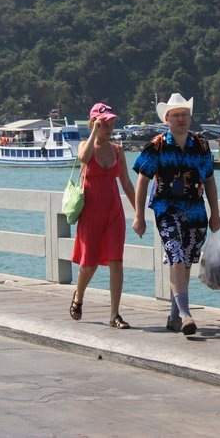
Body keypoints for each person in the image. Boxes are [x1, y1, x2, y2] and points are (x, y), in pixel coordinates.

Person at [132, 93, 220, 336]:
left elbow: (210, 180)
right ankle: (185, 314)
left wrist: (215, 213)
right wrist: (138, 215)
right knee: (176, 256)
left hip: (195, 209)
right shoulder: (157, 145)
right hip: (166, 209)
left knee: (187, 261)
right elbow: (142, 179)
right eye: (176, 115)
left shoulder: (201, 145)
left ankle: (174, 316)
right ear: (167, 119)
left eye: (185, 115)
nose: (181, 119)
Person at [70, 103, 136, 329]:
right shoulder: (85, 145)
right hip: (91, 212)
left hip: (113, 212)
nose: (109, 128)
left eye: (111, 124)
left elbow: (126, 182)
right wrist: (93, 132)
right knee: (89, 264)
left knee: (116, 261)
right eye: (104, 124)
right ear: (94, 123)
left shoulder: (117, 150)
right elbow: (83, 158)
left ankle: (114, 314)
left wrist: (138, 212)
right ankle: (79, 296)